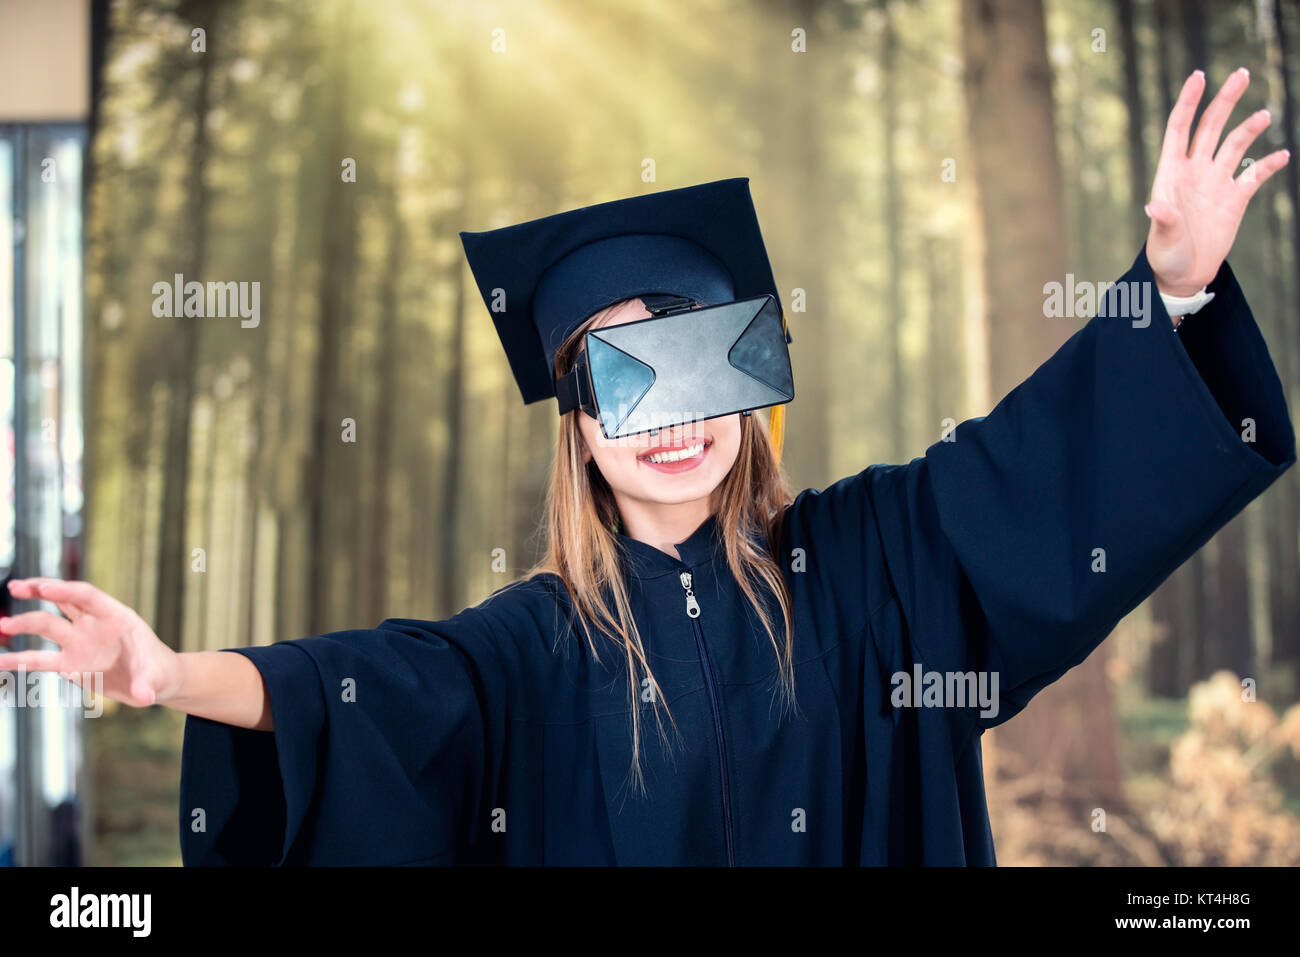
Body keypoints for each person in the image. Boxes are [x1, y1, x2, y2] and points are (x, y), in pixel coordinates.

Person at [0, 67, 1293, 866]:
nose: (672, 416)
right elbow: (357, 690)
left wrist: (1167, 298)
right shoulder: (531, 646)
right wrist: (163, 673)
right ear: (575, 422)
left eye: (701, 363)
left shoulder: (869, 564)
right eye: (624, 381)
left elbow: (1030, 471)